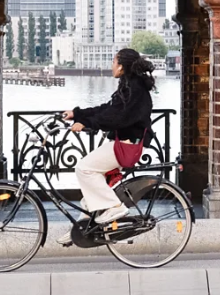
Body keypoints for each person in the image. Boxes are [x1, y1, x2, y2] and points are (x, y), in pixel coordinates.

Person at [56, 48, 156, 245]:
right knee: (92, 185)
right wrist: (77, 114)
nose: (111, 66)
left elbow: (116, 117)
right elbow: (107, 109)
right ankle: (82, 229)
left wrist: (87, 123)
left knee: (84, 169)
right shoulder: (130, 85)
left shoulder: (134, 89)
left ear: (121, 66)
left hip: (127, 146)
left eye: (113, 61)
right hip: (125, 143)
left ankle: (113, 207)